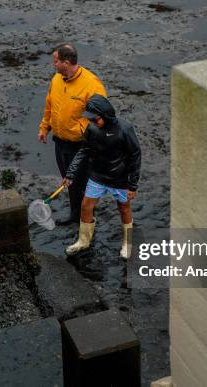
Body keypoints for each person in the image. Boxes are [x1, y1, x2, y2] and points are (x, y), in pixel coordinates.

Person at [63, 94, 141, 259]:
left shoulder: (125, 129)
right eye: (90, 119)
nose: (92, 122)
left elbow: (135, 155)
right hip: (97, 175)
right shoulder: (91, 129)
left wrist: (132, 184)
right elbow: (84, 150)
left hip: (120, 179)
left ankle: (128, 244)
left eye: (95, 119)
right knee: (86, 205)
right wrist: (70, 173)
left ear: (106, 115)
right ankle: (83, 240)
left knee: (124, 208)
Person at [38, 43, 107, 226]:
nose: (54, 64)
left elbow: (102, 117)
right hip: (60, 142)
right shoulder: (57, 80)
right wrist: (45, 127)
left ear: (66, 62)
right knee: (68, 181)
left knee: (80, 182)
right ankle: (76, 214)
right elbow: (49, 105)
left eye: (56, 61)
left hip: (80, 145)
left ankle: (86, 218)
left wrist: (84, 133)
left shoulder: (91, 85)